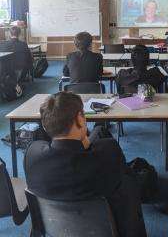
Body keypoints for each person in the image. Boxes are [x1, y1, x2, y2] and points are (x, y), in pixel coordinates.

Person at [24, 92, 147, 237]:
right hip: (109, 230)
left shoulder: (32, 155)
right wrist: (85, 139)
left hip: (56, 230)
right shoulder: (109, 151)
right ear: (80, 119)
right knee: (130, 181)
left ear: (45, 126)